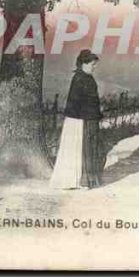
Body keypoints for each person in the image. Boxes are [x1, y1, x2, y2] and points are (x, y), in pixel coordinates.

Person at [50, 49, 103, 189]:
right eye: (92, 64)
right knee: (78, 148)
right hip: (79, 120)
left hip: (84, 119)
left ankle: (86, 179)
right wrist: (89, 117)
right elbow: (78, 102)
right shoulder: (80, 78)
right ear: (84, 64)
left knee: (85, 148)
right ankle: (78, 180)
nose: (94, 67)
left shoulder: (86, 78)